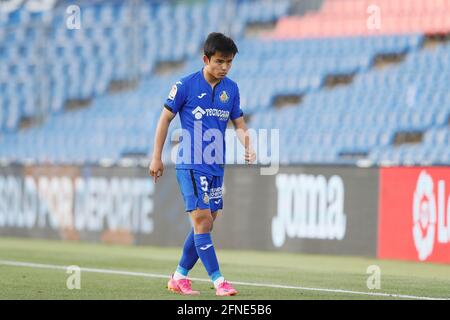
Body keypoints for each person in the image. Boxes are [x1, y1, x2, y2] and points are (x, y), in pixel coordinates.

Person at [148, 32, 256, 296]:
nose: (224, 68)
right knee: (203, 222)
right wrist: (156, 156)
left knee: (206, 224)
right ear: (205, 59)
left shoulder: (231, 89)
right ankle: (220, 282)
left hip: (216, 166)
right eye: (219, 61)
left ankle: (179, 277)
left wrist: (248, 146)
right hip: (190, 164)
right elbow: (164, 119)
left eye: (229, 62)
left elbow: (238, 123)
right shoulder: (185, 85)